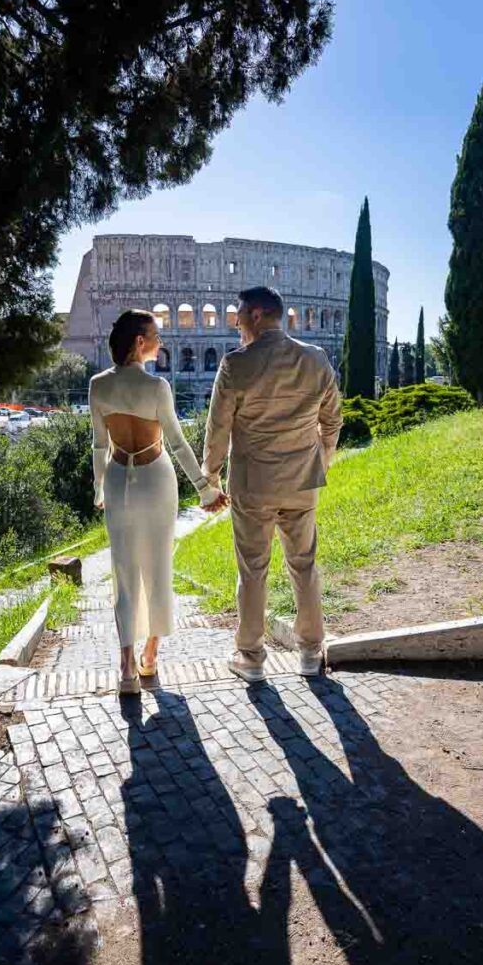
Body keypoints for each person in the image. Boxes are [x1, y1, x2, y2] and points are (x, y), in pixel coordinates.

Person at [202, 286, 343, 682]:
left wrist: (210, 480)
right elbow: (332, 421)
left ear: (259, 315)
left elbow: (218, 430)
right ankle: (312, 653)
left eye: (240, 313)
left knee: (252, 570)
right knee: (304, 565)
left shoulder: (236, 365)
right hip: (302, 483)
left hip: (253, 486)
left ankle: (250, 658)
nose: (235, 320)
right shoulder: (316, 359)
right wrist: (321, 461)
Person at [89, 310, 227, 694]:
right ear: (139, 342)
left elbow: (100, 444)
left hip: (118, 478)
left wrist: (100, 487)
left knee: (123, 571)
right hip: (155, 477)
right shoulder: (157, 387)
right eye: (156, 336)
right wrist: (205, 489)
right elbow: (179, 444)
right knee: (158, 565)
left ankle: (126, 669)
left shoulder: (97, 385)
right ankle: (151, 655)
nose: (160, 342)